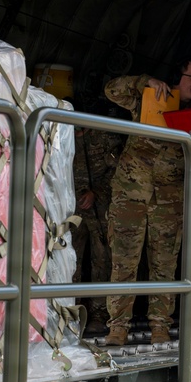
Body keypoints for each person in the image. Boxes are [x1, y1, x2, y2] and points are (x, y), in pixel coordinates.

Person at [103, 59, 191, 346]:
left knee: (164, 265)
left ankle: (160, 325)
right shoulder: (150, 97)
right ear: (177, 78)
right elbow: (111, 90)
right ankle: (118, 327)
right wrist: (144, 80)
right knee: (123, 262)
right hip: (131, 194)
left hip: (169, 201)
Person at [71, 122, 124, 335]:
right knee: (70, 258)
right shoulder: (61, 137)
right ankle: (69, 310)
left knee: (102, 259)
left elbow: (121, 169)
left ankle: (99, 314)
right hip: (71, 206)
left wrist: (97, 192)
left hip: (100, 206)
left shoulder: (105, 136)